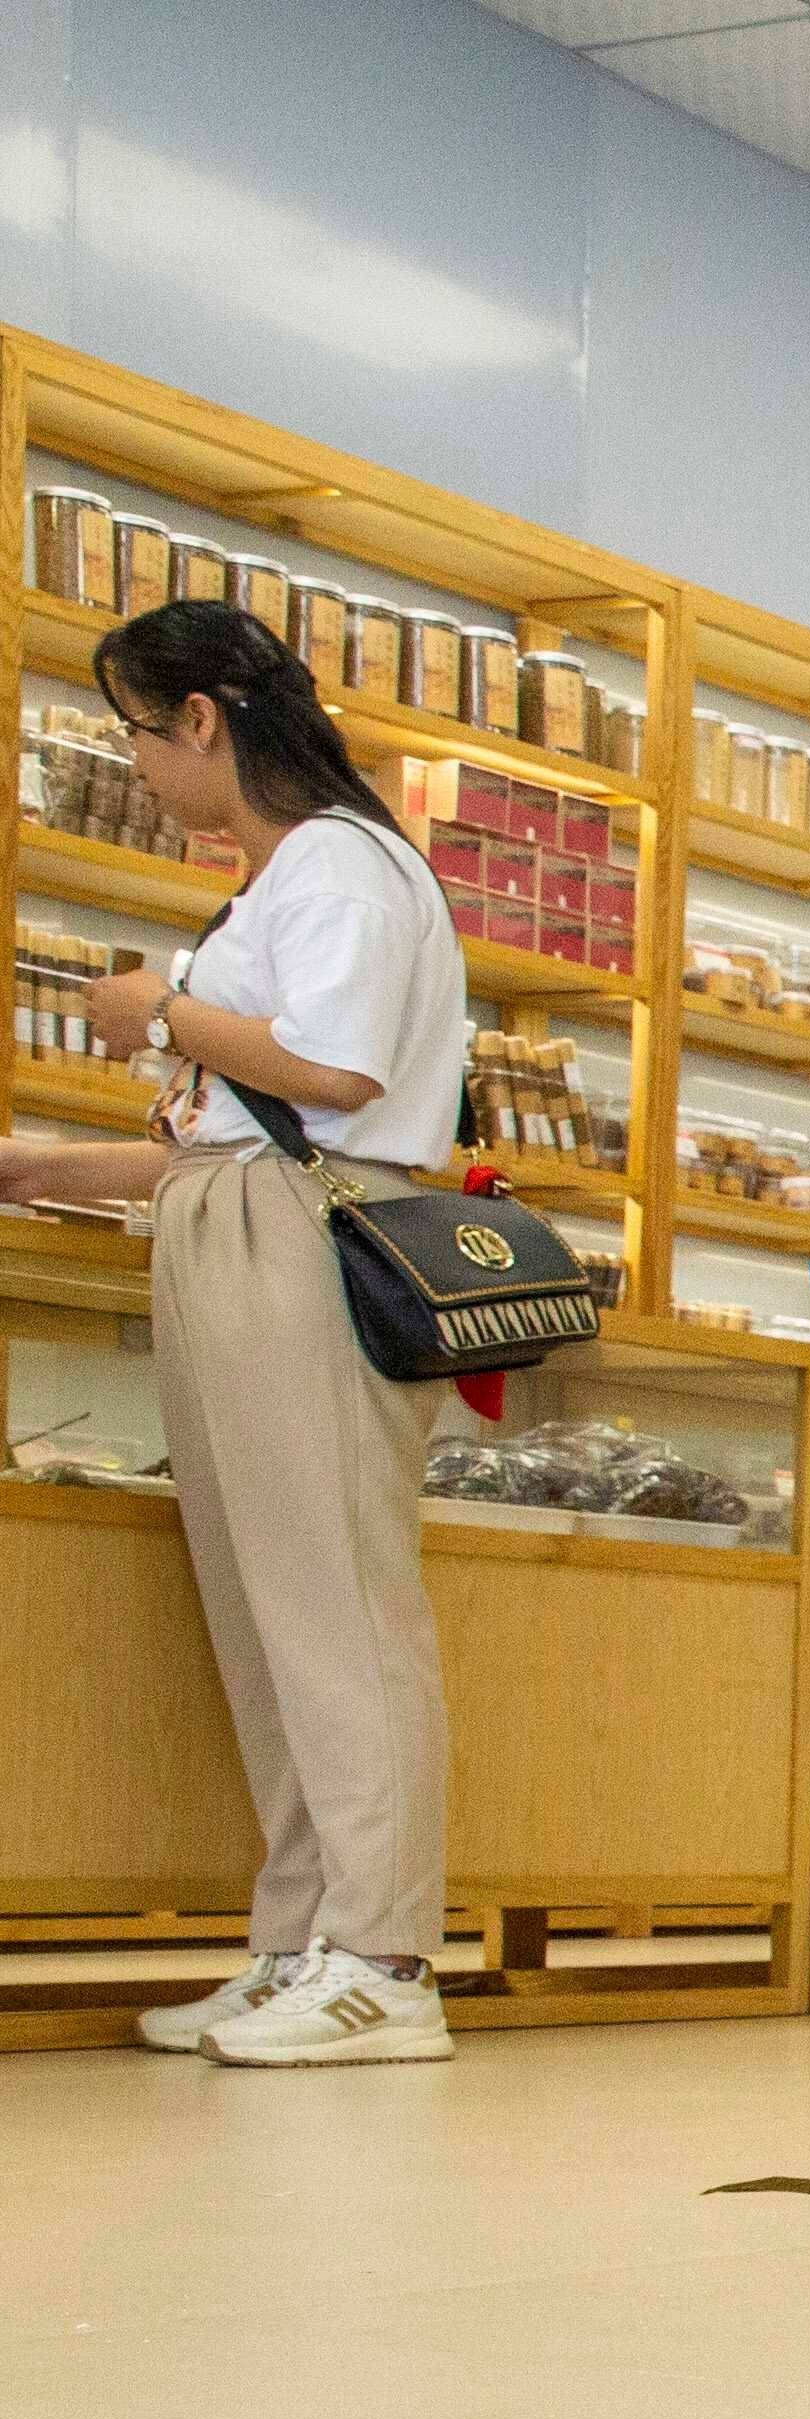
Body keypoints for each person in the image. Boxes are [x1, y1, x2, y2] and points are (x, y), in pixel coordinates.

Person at [0, 602, 475, 2065]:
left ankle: (387, 1960)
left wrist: (156, 1016)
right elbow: (234, 1144)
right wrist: (42, 1168)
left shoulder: (338, 863)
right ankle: (301, 1944)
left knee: (332, 1604)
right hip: (244, 1226)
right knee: (270, 1617)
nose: (140, 766)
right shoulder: (288, 876)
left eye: (142, 733)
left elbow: (333, 1080)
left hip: (300, 1249)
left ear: (204, 718)